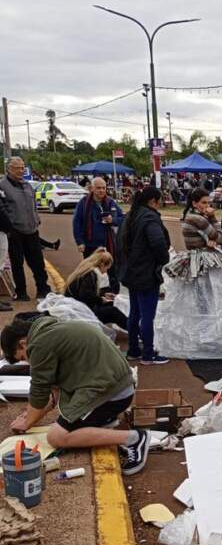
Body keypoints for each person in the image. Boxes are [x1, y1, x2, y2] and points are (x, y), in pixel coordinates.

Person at [0, 316, 149, 475]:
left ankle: (134, 438)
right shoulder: (51, 331)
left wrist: (27, 422)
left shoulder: (39, 344)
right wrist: (30, 417)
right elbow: (54, 394)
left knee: (56, 437)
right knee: (65, 418)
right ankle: (104, 420)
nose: (29, 362)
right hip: (116, 388)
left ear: (23, 343)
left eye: (23, 357)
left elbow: (39, 391)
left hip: (111, 394)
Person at [117, 187, 171, 365]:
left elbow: (119, 242)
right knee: (148, 314)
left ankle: (134, 350)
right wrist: (163, 259)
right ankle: (148, 353)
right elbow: (158, 242)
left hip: (131, 271)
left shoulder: (130, 216)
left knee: (135, 312)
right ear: (153, 201)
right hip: (146, 272)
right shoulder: (150, 217)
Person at [0, 157, 50, 302]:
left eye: (22, 168)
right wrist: (9, 226)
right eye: (17, 168)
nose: (21, 171)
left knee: (38, 262)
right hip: (14, 231)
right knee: (17, 263)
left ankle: (43, 289)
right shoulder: (2, 186)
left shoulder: (27, 185)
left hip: (32, 230)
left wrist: (36, 218)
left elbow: (33, 204)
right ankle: (21, 292)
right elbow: (2, 208)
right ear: (9, 169)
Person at [72, 177, 125, 291]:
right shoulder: (84, 203)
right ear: (92, 188)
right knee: (91, 273)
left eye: (104, 188)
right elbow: (77, 223)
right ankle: (92, 294)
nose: (101, 190)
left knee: (111, 272)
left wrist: (113, 220)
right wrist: (80, 242)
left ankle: (113, 294)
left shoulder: (110, 202)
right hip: (90, 245)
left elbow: (123, 219)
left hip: (108, 244)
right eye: (98, 188)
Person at [65, 248, 129, 330]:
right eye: (106, 268)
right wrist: (101, 300)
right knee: (113, 311)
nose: (105, 272)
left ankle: (133, 329)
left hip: (76, 306)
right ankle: (136, 331)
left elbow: (87, 292)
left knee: (111, 305)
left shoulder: (86, 270)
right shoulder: (90, 275)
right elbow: (85, 296)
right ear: (102, 264)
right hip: (81, 310)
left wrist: (103, 294)